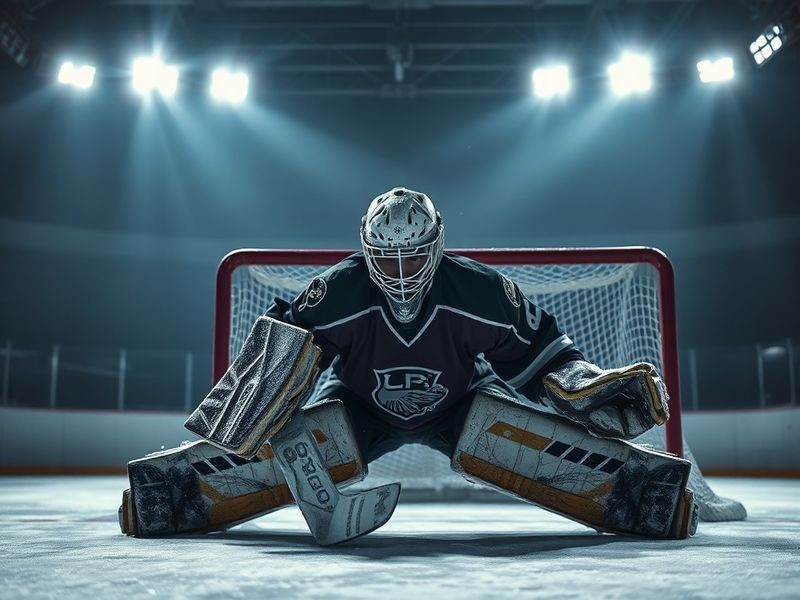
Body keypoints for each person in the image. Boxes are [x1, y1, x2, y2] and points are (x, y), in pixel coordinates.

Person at [120, 187, 697, 542]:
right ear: (366, 249)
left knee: (499, 435)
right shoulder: (338, 291)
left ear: (438, 244)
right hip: (359, 408)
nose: (400, 272)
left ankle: (651, 495)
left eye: (414, 255)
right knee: (318, 437)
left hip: (460, 406)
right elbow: (283, 350)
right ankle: (167, 497)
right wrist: (255, 421)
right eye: (387, 258)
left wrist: (583, 388)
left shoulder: (480, 291)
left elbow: (542, 353)